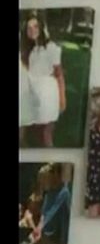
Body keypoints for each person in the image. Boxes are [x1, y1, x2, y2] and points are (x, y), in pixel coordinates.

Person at [20, 14, 65, 148]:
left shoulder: (51, 48)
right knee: (22, 124)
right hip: (30, 89)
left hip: (47, 90)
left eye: (35, 26)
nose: (32, 30)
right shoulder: (29, 49)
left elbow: (59, 74)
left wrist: (62, 98)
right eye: (29, 28)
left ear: (41, 28)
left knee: (47, 131)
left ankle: (52, 161)